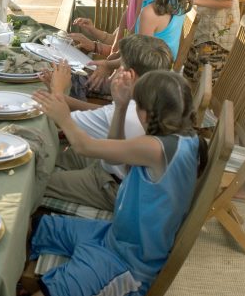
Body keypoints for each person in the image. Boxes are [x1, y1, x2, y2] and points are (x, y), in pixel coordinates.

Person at [31, 68, 207, 296]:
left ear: (146, 113)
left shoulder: (156, 148)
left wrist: (64, 117)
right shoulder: (185, 140)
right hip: (113, 237)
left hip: (127, 264)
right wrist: (121, 107)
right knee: (37, 227)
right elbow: (113, 158)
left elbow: (85, 147)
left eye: (136, 105)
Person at [42, 34, 174, 211]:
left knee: (37, 182)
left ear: (130, 74)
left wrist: (58, 90)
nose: (116, 69)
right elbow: (98, 114)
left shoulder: (131, 112)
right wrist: (60, 96)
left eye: (120, 65)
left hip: (113, 186)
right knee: (53, 158)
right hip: (110, 165)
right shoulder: (150, 97)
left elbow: (65, 124)